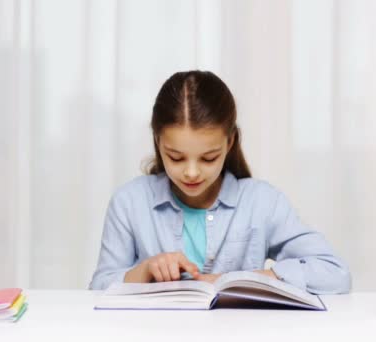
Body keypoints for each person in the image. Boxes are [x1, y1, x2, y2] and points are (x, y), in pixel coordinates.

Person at [89, 70, 351, 294]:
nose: (191, 173)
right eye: (176, 157)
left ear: (230, 143)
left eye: (208, 158)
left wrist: (244, 280)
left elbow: (335, 273)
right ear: (158, 142)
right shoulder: (129, 202)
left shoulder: (262, 202)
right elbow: (98, 287)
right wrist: (144, 271)